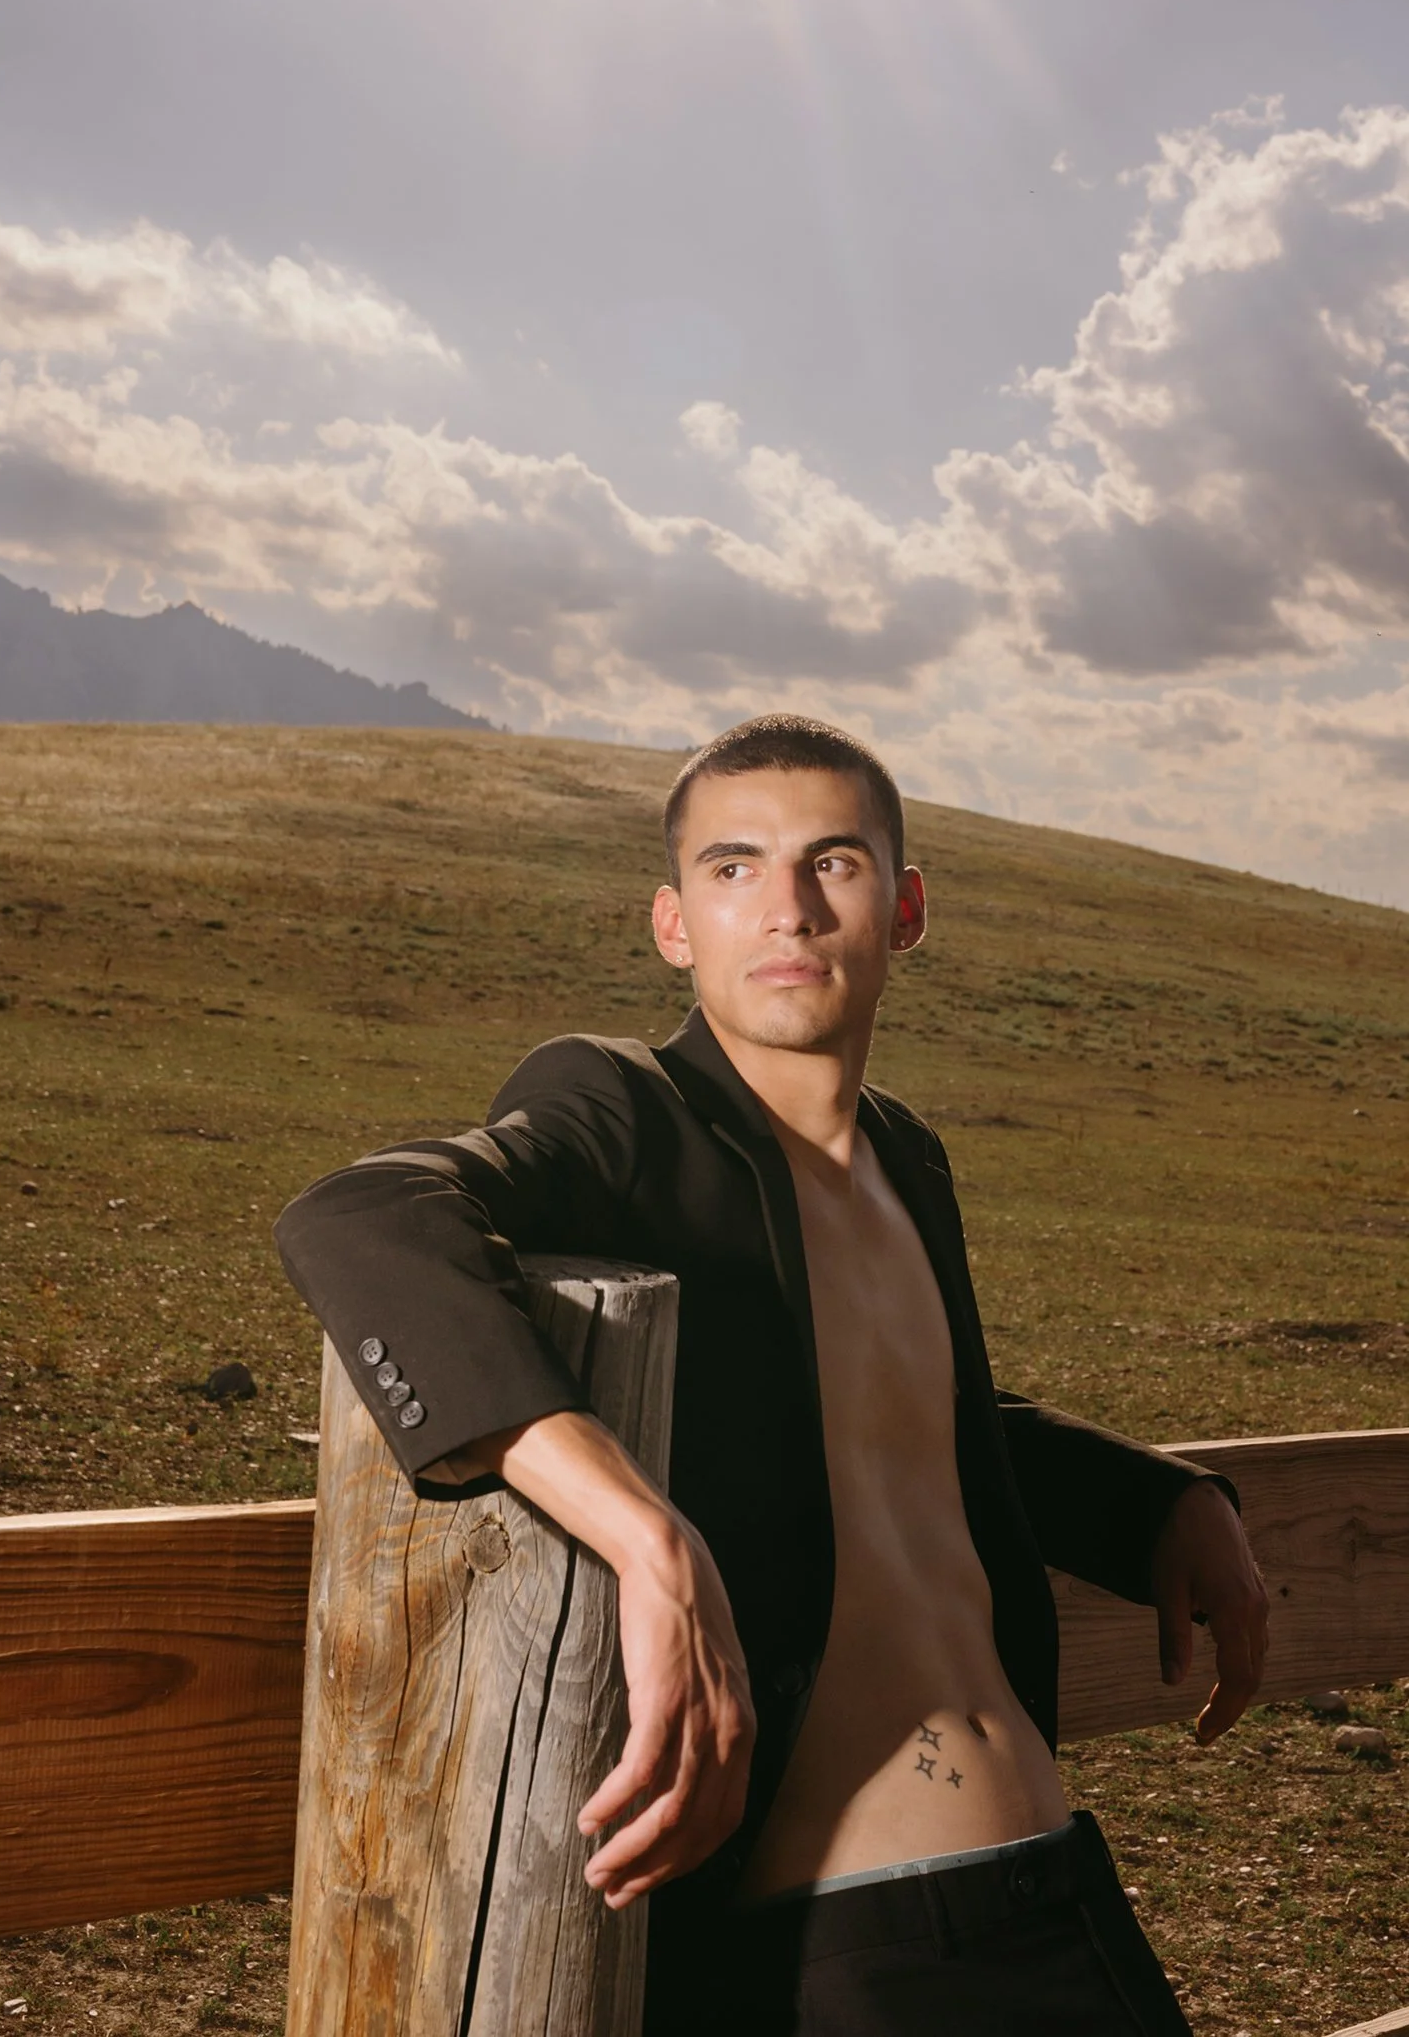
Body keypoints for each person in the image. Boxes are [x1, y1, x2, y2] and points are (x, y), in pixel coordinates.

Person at [274, 713, 1270, 2036]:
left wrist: (1156, 1502)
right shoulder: (626, 1112)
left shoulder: (906, 1162)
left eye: (834, 862)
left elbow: (897, 1422)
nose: (788, 907)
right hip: (845, 1957)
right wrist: (647, 1539)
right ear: (673, 923)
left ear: (904, 907)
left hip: (1058, 1893)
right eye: (735, 867)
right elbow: (362, 1217)